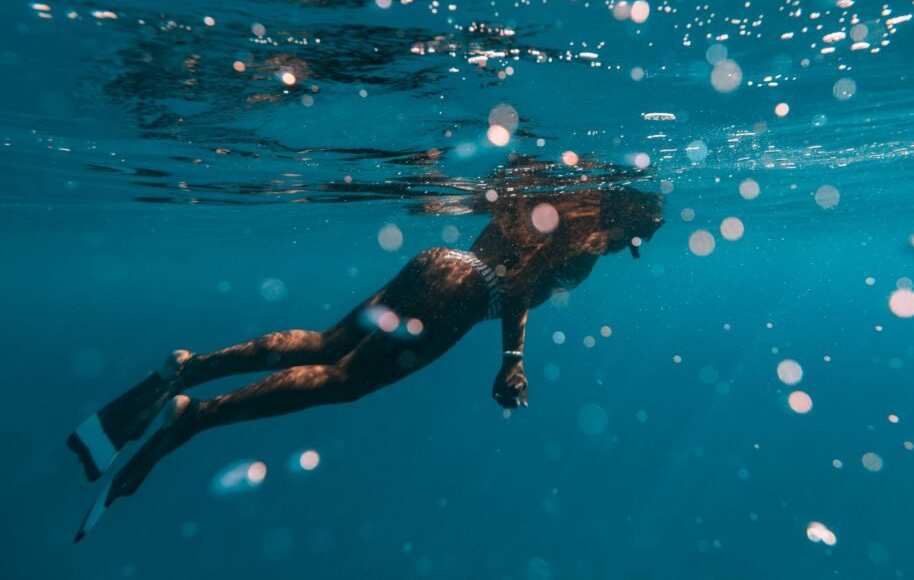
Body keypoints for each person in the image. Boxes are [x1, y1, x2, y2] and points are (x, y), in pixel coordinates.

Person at [68, 186, 664, 540]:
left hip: (439, 262)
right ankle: (192, 417)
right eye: (637, 235)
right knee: (344, 381)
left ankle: (194, 367)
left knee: (328, 343)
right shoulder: (584, 242)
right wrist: (512, 360)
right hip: (467, 293)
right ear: (625, 217)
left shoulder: (549, 201)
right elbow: (519, 282)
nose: (629, 248)